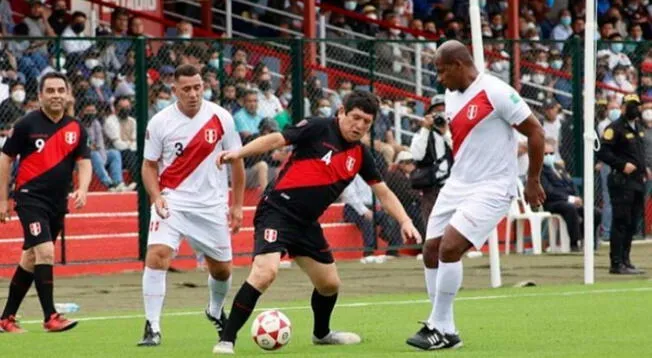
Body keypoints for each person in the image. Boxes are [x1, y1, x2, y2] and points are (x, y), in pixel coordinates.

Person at [212, 90, 422, 354]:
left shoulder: (361, 155)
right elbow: (276, 139)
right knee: (265, 273)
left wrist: (404, 220)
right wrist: (239, 153)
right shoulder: (318, 127)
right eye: (355, 117)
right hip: (276, 211)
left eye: (366, 122)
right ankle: (226, 340)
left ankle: (321, 334)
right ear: (342, 112)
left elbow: (383, 192)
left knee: (329, 284)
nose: (359, 125)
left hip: (306, 223)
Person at [406, 40, 546, 350]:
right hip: (458, 184)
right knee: (430, 250)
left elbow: (536, 132)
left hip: (493, 186)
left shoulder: (496, 91)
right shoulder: (450, 95)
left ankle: (438, 327)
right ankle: (446, 327)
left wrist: (533, 179)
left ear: (458, 65)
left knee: (450, 248)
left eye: (442, 71)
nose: (439, 79)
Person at [137, 64, 246, 346]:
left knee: (222, 270)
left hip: (212, 205)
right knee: (158, 254)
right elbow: (149, 166)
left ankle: (213, 309)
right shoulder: (160, 122)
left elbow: (237, 161)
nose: (194, 93)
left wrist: (237, 205)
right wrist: (156, 196)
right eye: (186, 89)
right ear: (174, 90)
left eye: (198, 87)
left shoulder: (222, 117)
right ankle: (152, 326)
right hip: (172, 201)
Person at [0, 72, 91, 333]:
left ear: (68, 94)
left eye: (60, 90)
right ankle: (50, 316)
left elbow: (84, 162)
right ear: (40, 95)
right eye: (50, 91)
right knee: (46, 252)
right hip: (30, 198)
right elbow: (5, 159)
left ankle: (6, 319)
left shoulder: (76, 128)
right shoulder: (26, 124)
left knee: (30, 258)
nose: (56, 95)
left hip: (57, 202)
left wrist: (83, 189)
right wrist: (3, 200)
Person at [597, 94, 646, 275]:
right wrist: (621, 165)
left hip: (637, 181)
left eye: (637, 105)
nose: (635, 109)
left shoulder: (637, 128)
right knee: (621, 221)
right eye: (631, 105)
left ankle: (626, 259)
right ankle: (616, 263)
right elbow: (603, 152)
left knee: (633, 223)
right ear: (623, 107)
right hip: (621, 181)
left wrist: (645, 168)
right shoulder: (615, 128)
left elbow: (638, 152)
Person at [540, 140, 601, 252]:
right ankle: (574, 243)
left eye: (551, 153)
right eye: (545, 154)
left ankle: (585, 238)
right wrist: (569, 199)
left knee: (595, 212)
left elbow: (571, 184)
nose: (549, 156)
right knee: (570, 208)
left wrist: (577, 198)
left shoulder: (559, 167)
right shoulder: (539, 170)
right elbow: (548, 191)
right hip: (553, 203)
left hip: (570, 201)